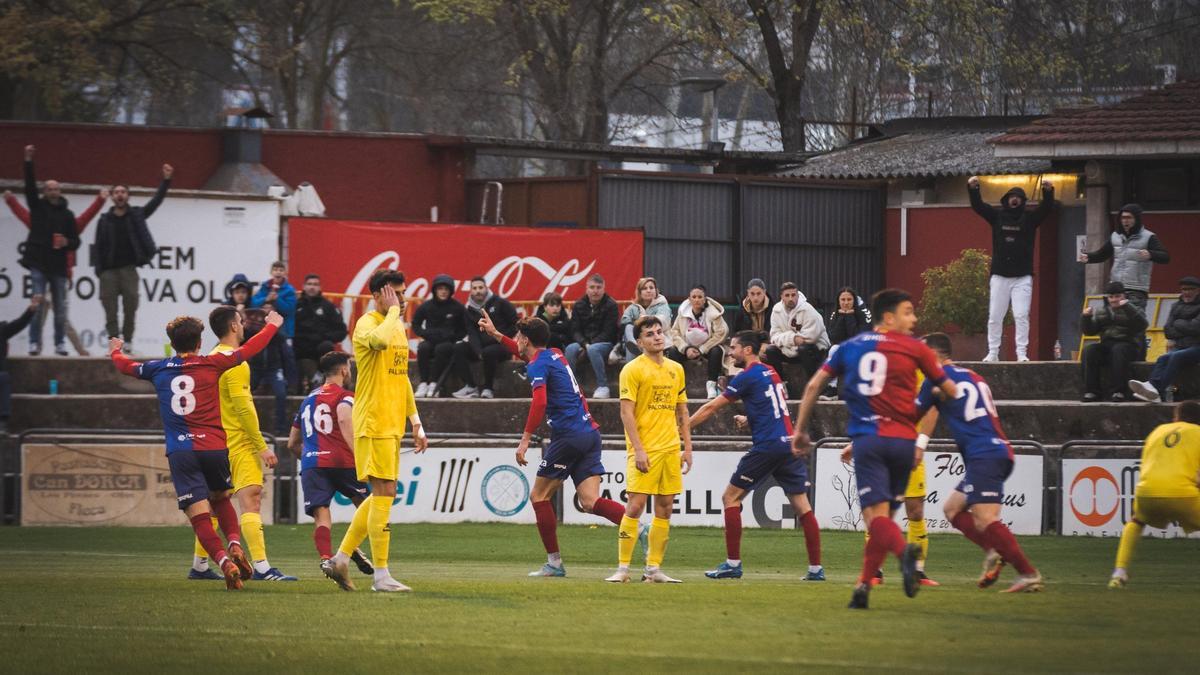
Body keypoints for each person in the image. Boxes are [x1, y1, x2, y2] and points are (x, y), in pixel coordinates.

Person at [791, 288, 958, 609]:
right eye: (909, 312)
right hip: (905, 444)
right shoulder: (916, 349)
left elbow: (813, 385)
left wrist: (799, 431)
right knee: (884, 519)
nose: (914, 319)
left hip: (870, 441)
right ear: (889, 317)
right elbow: (948, 389)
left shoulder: (850, 348)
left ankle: (904, 554)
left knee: (875, 519)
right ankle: (863, 587)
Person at [109, 309, 284, 590]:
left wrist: (116, 351)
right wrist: (272, 326)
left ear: (172, 343)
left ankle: (223, 562)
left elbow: (126, 367)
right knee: (222, 500)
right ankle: (236, 545)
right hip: (213, 447)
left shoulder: (158, 368)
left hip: (181, 451)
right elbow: (250, 348)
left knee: (199, 514)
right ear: (200, 342)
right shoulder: (212, 363)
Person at [476, 312, 631, 577]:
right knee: (590, 502)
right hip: (589, 433)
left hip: (568, 435)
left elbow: (540, 402)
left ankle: (554, 563)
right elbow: (524, 352)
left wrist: (524, 439)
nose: (517, 341)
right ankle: (637, 527)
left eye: (518, 337)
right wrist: (496, 334)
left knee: (538, 496)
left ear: (525, 339)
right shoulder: (555, 354)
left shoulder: (537, 365)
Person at [321, 269, 429, 593]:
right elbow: (380, 342)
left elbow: (403, 377)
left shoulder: (395, 325)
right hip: (372, 421)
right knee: (384, 493)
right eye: (397, 293)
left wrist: (416, 421)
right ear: (381, 294)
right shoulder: (367, 326)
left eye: (404, 292)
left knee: (383, 494)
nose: (403, 298)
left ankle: (340, 559)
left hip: (392, 422)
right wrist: (394, 311)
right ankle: (381, 575)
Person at [687, 330, 824, 581]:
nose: (730, 352)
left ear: (747, 350)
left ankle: (732, 564)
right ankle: (816, 569)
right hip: (788, 442)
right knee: (802, 506)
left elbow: (711, 407)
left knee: (730, 497)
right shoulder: (770, 371)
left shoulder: (746, 375)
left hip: (768, 445)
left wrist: (682, 430)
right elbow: (772, 408)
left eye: (734, 348)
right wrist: (750, 419)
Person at [915, 332, 1043, 593]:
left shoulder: (934, 380)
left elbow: (910, 415)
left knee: (985, 519)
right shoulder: (973, 376)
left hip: (983, 454)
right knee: (952, 509)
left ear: (933, 356)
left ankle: (1027, 573)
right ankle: (994, 549)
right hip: (996, 451)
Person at [186, 305, 296, 582]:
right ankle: (261, 567)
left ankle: (199, 566)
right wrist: (260, 445)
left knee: (214, 504)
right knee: (251, 501)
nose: (244, 325)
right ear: (234, 327)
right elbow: (244, 409)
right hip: (237, 443)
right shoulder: (234, 363)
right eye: (241, 321)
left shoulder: (209, 358)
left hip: (213, 443)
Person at [605, 315, 692, 584]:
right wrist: (639, 450)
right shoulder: (631, 370)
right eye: (650, 334)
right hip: (644, 450)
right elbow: (626, 413)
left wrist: (687, 447)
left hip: (669, 449)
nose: (657, 336)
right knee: (635, 506)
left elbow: (682, 410)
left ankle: (653, 570)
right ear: (640, 341)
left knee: (665, 508)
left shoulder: (676, 369)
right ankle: (622, 569)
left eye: (659, 331)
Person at [287, 351, 374, 576]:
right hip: (343, 460)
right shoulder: (346, 396)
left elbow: (292, 443)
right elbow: (345, 420)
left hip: (313, 463)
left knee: (321, 513)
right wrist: (361, 456)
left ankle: (327, 559)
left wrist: (309, 460)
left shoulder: (307, 400)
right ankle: (349, 547)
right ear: (344, 370)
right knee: (368, 506)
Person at [1109, 401, 1200, 588]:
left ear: (1176, 417)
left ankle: (1119, 573)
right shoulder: (1198, 433)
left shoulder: (1157, 431)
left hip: (1147, 491)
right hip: (1182, 493)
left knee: (1136, 522)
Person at [5, 187, 106, 355]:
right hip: (46, 270)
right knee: (47, 312)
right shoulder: (39, 222)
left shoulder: (69, 223)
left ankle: (48, 346)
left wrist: (100, 201)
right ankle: (58, 347)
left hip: (61, 274)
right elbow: (23, 215)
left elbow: (86, 217)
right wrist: (11, 201)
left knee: (57, 314)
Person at [966, 176, 1055, 361]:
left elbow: (1046, 209)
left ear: (1023, 201)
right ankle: (993, 353)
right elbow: (979, 207)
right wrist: (973, 189)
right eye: (1011, 197)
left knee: (1022, 315)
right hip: (999, 275)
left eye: (1018, 197)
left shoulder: (1030, 219)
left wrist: (1048, 192)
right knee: (994, 316)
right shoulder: (997, 217)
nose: (1014, 199)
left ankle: (1021, 354)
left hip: (1022, 277)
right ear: (1006, 200)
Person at [94, 161, 173, 351]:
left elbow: (155, 202)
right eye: (117, 192)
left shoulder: (136, 215)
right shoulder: (104, 220)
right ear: (112, 197)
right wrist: (100, 271)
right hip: (109, 272)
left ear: (128, 196)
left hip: (129, 269)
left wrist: (166, 181)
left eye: (123, 192)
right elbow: (98, 247)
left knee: (131, 307)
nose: (120, 195)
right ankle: (115, 344)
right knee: (110, 311)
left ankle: (127, 341)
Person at [18, 145, 81, 356]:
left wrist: (67, 243)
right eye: (49, 189)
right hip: (38, 262)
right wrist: (28, 161)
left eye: (56, 188)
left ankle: (59, 343)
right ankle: (34, 343)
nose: (53, 191)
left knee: (61, 309)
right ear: (45, 192)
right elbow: (28, 187)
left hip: (58, 267)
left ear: (59, 192)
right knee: (38, 303)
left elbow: (76, 241)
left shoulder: (68, 215)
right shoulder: (37, 207)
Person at [1079, 203, 1170, 316]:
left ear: (1136, 219)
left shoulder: (1148, 237)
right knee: (1112, 321)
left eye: (1129, 218)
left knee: (1132, 321)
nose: (1125, 221)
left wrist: (1151, 254)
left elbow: (1165, 257)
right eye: (1123, 218)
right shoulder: (1115, 236)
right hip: (1116, 287)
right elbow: (1103, 254)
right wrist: (1089, 257)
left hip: (1136, 289)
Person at [1129, 276, 1200, 403]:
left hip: (1196, 347)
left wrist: (1178, 324)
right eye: (1184, 289)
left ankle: (1157, 389)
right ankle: (1153, 389)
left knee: (1175, 356)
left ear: (1198, 290)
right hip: (1181, 345)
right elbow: (1168, 330)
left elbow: (1196, 327)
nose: (1187, 292)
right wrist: (1185, 327)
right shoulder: (1176, 306)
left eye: (1191, 289)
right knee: (1162, 358)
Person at [1080, 281, 1148, 402]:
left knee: (1119, 349)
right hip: (1107, 345)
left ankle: (1119, 391)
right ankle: (1091, 391)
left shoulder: (1133, 308)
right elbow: (1089, 332)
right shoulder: (1102, 311)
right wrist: (1086, 318)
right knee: (1089, 350)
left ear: (1124, 296)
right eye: (1111, 297)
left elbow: (1142, 324)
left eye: (1117, 296)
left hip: (1129, 345)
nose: (1114, 300)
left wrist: (1127, 307)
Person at [451, 277, 518, 399]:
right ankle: (471, 386)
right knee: (458, 347)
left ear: (486, 288)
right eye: (474, 288)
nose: (478, 291)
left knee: (489, 352)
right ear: (470, 291)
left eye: (481, 287)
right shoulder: (469, 310)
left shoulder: (501, 303)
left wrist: (498, 337)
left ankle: (488, 388)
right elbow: (472, 333)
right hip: (482, 347)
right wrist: (478, 352)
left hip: (501, 345)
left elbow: (515, 324)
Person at [764, 282, 830, 395]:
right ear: (782, 297)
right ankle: (782, 386)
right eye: (787, 295)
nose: (791, 298)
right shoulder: (776, 310)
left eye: (793, 295)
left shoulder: (808, 310)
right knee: (770, 350)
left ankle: (815, 386)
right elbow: (774, 336)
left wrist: (787, 341)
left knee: (804, 348)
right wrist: (793, 338)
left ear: (798, 295)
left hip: (815, 350)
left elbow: (811, 337)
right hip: (790, 350)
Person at [667, 284, 729, 400]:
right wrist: (686, 348)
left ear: (704, 299)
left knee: (717, 351)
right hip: (688, 348)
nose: (697, 300)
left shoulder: (714, 313)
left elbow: (721, 333)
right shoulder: (682, 313)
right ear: (689, 299)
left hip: (707, 348)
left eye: (700, 297)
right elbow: (674, 332)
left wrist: (702, 349)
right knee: (673, 351)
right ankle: (676, 386)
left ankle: (711, 385)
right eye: (694, 297)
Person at [412, 274, 465, 398]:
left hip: (448, 342)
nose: (443, 292)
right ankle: (424, 383)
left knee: (442, 349)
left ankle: (434, 384)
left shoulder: (457, 307)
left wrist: (454, 337)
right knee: (423, 348)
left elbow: (464, 328)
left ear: (450, 291)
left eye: (446, 289)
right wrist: (425, 334)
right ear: (435, 290)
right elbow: (416, 323)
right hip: (430, 339)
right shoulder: (427, 306)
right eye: (440, 289)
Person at [567, 274, 620, 398]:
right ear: (587, 289)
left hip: (605, 344)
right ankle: (569, 387)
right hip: (583, 343)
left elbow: (609, 331)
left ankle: (603, 386)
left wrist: (590, 345)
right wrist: (585, 344)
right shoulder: (579, 304)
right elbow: (574, 330)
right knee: (570, 348)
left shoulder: (611, 305)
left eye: (598, 287)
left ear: (603, 289)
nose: (595, 291)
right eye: (592, 287)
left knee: (594, 349)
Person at [293, 274, 348, 391]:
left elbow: (341, 331)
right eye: (309, 284)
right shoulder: (295, 305)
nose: (312, 287)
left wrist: (324, 336)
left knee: (327, 346)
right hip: (299, 348)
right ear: (303, 286)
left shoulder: (328, 307)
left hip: (320, 350)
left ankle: (323, 380)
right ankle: (292, 387)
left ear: (320, 287)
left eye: (315, 284)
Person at [251, 261, 298, 392]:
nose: (278, 272)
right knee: (261, 354)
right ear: (271, 272)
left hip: (284, 330)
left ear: (285, 273)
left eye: (281, 269)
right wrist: (266, 299)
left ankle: (292, 384)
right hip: (264, 328)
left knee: (288, 355)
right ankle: (262, 383)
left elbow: (289, 309)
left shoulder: (289, 290)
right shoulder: (265, 287)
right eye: (275, 269)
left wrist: (277, 299)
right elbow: (254, 303)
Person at [1, 296, 40, 434]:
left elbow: (19, 324)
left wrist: (31, 310)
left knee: (3, 378)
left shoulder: (2, 329)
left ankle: (2, 423)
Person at [618, 277, 672, 359]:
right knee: (628, 328)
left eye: (651, 288)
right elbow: (624, 321)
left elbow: (661, 322)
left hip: (656, 339)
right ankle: (635, 346)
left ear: (656, 290)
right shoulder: (633, 307)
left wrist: (640, 321)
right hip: (638, 339)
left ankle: (638, 347)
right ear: (639, 292)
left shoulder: (663, 305)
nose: (648, 290)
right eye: (644, 288)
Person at [731, 278, 772, 347]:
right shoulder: (741, 311)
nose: (755, 297)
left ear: (764, 292)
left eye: (759, 293)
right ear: (748, 293)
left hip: (768, 343)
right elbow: (737, 333)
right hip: (747, 345)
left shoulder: (773, 309)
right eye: (752, 294)